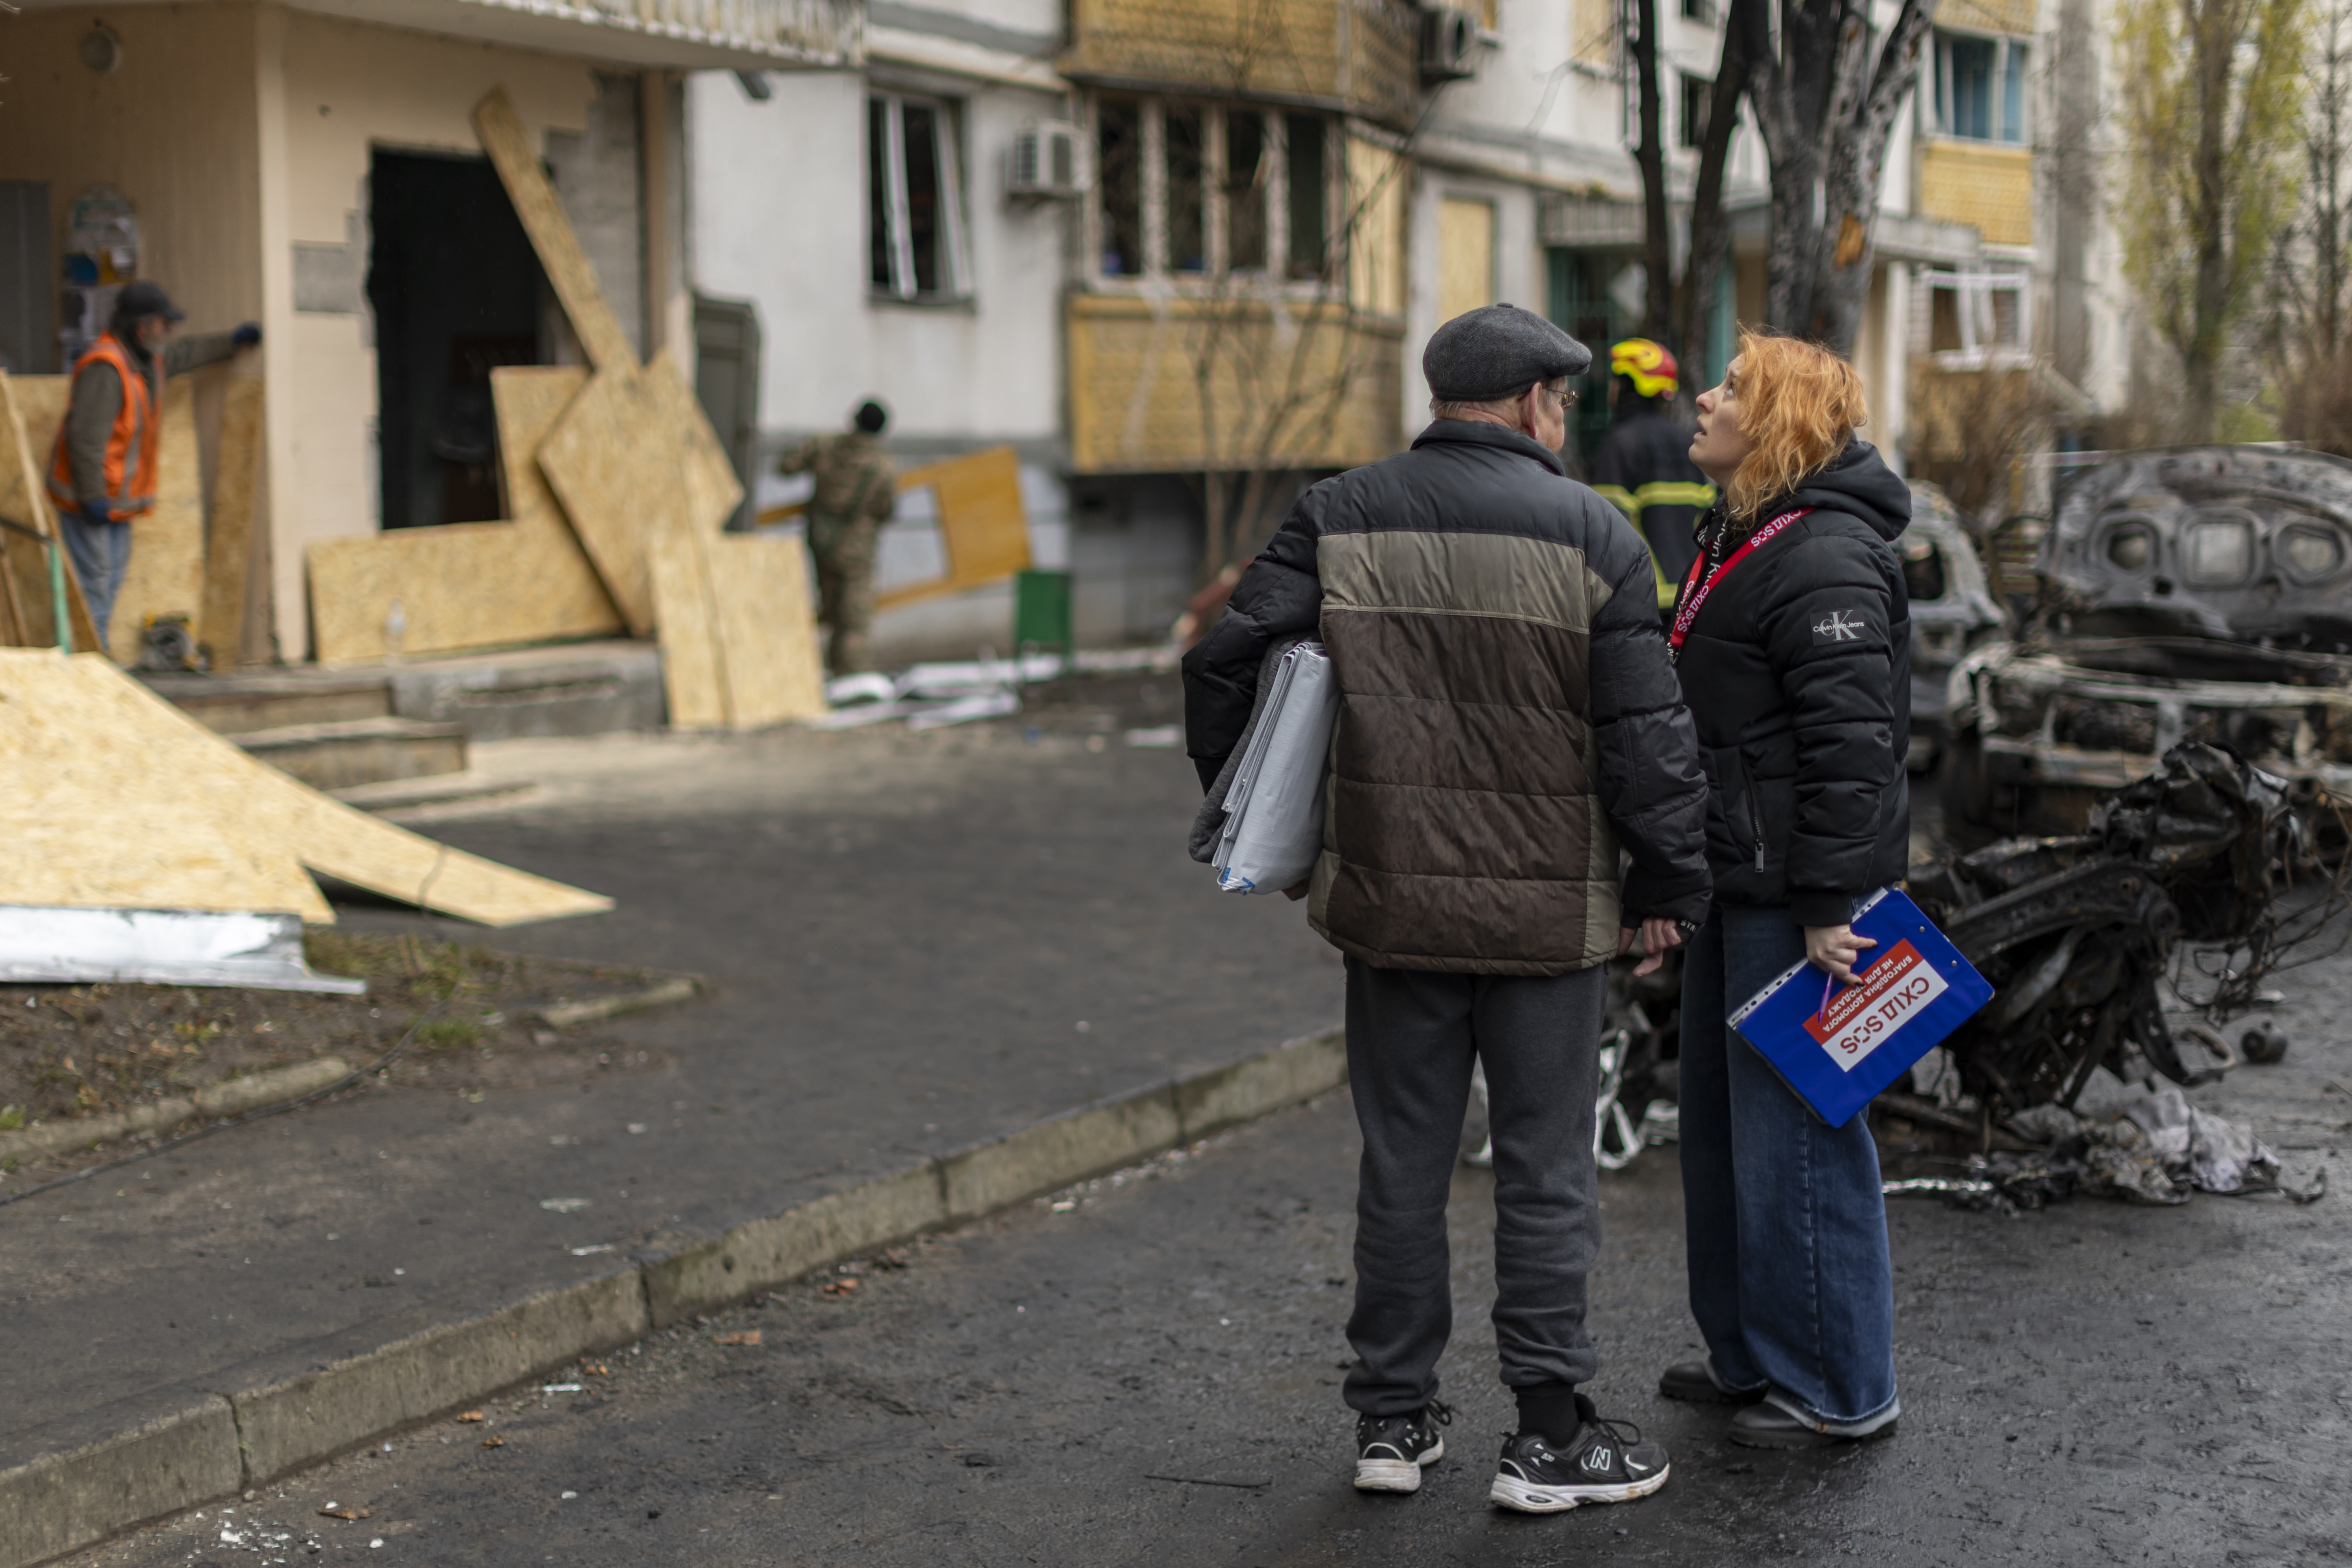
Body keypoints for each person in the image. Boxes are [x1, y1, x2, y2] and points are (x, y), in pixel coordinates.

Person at [1182, 304, 1711, 1514]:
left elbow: (1223, 664)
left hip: (1389, 899)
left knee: (1402, 1164)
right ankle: (1545, 1436)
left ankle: (1390, 1422)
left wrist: (1270, 821)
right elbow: (1647, 738)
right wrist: (1667, 886)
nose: (1564, 419)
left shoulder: (1338, 511)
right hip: (1549, 917)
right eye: (1562, 401)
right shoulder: (1593, 534)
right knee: (1541, 1171)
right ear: (1532, 402)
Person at [1660, 328, 1911, 1449]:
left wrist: (1824, 902)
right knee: (1722, 1133)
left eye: (1729, 388)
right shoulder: (1740, 534)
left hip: (1793, 904)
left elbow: (1851, 750)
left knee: (1801, 1134)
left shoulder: (1818, 555)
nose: (1701, 397)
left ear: (1775, 423)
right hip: (1737, 879)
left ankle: (1843, 1381)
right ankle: (1753, 1358)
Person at [46, 281, 258, 649]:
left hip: (114, 504)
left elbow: (186, 353)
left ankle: (96, 666)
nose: (170, 329)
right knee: (94, 590)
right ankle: (94, 672)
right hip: (91, 504)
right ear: (141, 327)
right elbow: (84, 440)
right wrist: (93, 497)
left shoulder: (147, 361)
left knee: (108, 585)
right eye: (165, 323)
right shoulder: (106, 368)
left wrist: (232, 342)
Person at [1587, 338, 1715, 608]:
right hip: (1691, 595)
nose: (1610, 387)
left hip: (1642, 598)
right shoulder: (1687, 442)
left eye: (1615, 380)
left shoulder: (1619, 444)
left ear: (1627, 385)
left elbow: (1606, 529)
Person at [778, 399, 897, 676]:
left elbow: (786, 466)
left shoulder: (824, 446)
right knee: (854, 620)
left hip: (821, 540)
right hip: (857, 549)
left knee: (830, 612)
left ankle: (829, 672)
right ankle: (852, 678)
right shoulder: (883, 466)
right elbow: (885, 510)